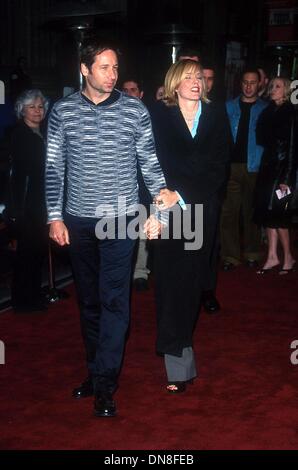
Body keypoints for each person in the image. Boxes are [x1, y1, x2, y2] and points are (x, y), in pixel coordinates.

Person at [45, 38, 174, 417]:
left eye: (115, 67)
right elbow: (54, 167)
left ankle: (104, 383)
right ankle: (96, 369)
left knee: (115, 300)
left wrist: (161, 212)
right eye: (104, 67)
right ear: (84, 69)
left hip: (121, 220)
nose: (112, 75)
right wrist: (53, 216)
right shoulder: (62, 111)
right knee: (89, 302)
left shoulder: (135, 111)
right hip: (79, 219)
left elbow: (150, 164)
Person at [149, 59, 230, 393]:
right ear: (174, 83)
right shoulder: (159, 116)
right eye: (188, 77)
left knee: (193, 284)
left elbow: (219, 166)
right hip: (167, 212)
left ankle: (179, 347)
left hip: (201, 209)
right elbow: (150, 162)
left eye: (199, 76)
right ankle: (178, 365)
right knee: (170, 286)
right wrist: (155, 208)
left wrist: (181, 192)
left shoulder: (216, 115)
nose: (196, 81)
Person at [220, 68, 268, 271]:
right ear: (241, 84)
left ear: (260, 84)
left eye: (253, 82)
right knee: (229, 213)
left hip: (255, 166)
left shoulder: (266, 109)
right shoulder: (228, 107)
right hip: (230, 166)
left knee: (251, 212)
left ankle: (252, 253)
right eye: (245, 82)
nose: (249, 86)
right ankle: (230, 256)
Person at [8, 89, 49, 312]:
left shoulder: (41, 133)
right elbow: (16, 175)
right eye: (32, 107)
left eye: (40, 107)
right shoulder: (19, 135)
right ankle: (23, 301)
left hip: (40, 201)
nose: (37, 111)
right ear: (21, 110)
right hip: (25, 204)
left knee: (37, 252)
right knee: (26, 254)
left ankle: (33, 294)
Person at [254, 77, 297, 274]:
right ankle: (272, 256)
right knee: (267, 213)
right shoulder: (267, 112)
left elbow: (292, 148)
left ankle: (288, 257)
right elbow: (261, 139)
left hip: (282, 171)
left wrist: (286, 178)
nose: (272, 89)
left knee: (280, 216)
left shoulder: (291, 113)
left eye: (277, 86)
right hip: (267, 168)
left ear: (287, 90)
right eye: (271, 86)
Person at [121, 78, 150, 291]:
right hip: (122, 186)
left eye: (134, 89)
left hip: (147, 184)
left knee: (142, 230)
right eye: (125, 90)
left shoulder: (151, 117)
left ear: (140, 94)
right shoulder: (114, 117)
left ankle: (140, 272)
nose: (130, 93)